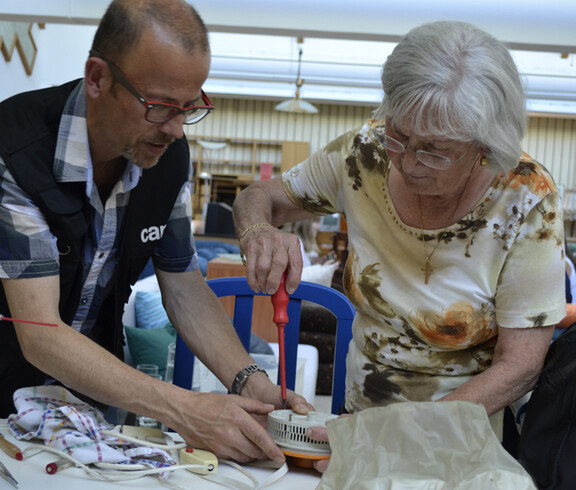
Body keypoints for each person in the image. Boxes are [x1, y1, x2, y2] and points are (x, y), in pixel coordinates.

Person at [233, 21, 565, 471]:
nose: (408, 163)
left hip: (461, 441)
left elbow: (520, 365)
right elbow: (259, 197)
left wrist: (390, 438)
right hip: (357, 417)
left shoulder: (525, 199)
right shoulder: (364, 155)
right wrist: (258, 231)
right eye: (399, 136)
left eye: (433, 150)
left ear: (484, 147)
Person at [0, 0, 311, 465]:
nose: (176, 129)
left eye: (191, 106)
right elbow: (40, 331)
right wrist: (185, 409)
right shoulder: (15, 148)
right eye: (161, 107)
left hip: (90, 405)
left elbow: (184, 286)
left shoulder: (167, 159)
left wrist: (252, 384)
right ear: (98, 78)